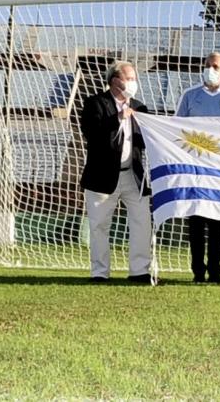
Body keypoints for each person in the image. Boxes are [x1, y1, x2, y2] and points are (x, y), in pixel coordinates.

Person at [174, 52, 220, 283]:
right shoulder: (189, 96)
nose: (210, 70)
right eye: (207, 66)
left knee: (217, 224)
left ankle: (215, 272)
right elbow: (175, 128)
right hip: (195, 170)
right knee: (195, 223)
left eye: (215, 66)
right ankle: (197, 272)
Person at [79, 60, 152, 283]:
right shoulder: (96, 104)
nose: (132, 83)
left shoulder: (140, 107)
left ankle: (139, 270)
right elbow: (92, 135)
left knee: (142, 222)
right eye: (128, 78)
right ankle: (100, 272)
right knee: (99, 225)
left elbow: (146, 141)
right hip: (102, 177)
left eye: (133, 78)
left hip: (133, 175)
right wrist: (117, 120)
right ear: (114, 80)